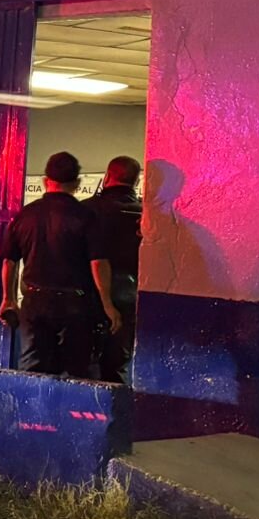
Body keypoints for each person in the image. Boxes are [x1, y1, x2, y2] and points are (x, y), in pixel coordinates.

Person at [0, 151, 108, 378]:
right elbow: (98, 263)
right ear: (77, 183)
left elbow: (9, 260)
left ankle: (31, 402)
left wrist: (8, 299)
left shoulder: (25, 215)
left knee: (32, 370)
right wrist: (107, 304)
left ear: (45, 181)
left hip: (34, 300)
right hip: (75, 304)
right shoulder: (86, 216)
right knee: (75, 371)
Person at [86, 155, 142, 382]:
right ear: (136, 181)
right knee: (117, 366)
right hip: (130, 298)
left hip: (86, 296)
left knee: (81, 365)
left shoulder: (86, 210)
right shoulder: (145, 215)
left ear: (107, 176)